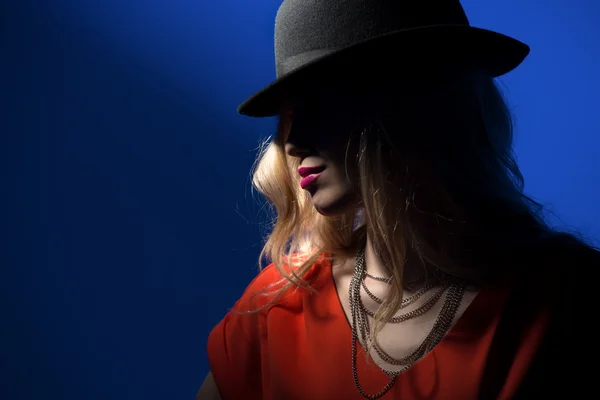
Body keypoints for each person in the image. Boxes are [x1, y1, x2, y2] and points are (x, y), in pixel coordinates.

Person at [196, 0, 599, 399]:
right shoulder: (275, 312)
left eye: (320, 105)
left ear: (414, 102)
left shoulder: (565, 299)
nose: (295, 141)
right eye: (290, 114)